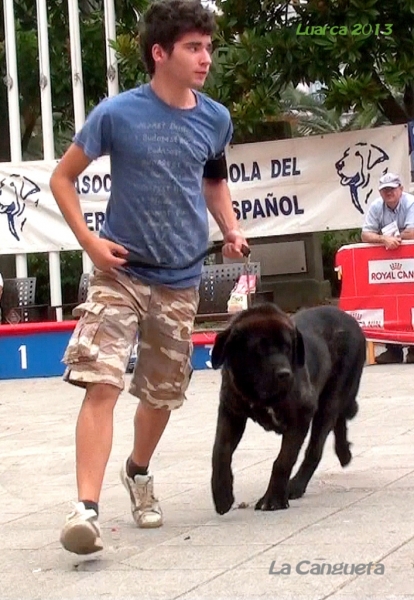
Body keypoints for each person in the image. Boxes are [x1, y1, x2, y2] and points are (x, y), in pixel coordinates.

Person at [49, 0, 248, 555]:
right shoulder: (117, 114)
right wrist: (90, 241)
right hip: (120, 272)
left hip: (181, 277)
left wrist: (229, 228)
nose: (206, 57)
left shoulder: (215, 118)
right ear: (160, 53)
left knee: (161, 394)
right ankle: (85, 510)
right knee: (102, 380)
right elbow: (62, 179)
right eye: (193, 47)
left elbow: (213, 182)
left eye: (208, 47)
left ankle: (137, 472)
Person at [361, 172, 414, 364]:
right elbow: (365, 234)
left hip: (411, 264)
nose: (389, 193)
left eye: (392, 188)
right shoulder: (376, 206)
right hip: (388, 267)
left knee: (412, 301)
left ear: (401, 188)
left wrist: (394, 239)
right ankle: (393, 349)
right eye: (385, 190)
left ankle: (413, 348)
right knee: (389, 302)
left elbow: (412, 232)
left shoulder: (410, 202)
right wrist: (384, 239)